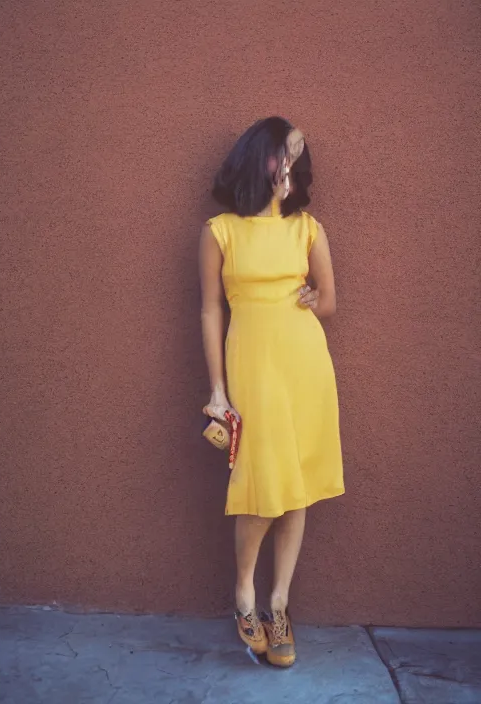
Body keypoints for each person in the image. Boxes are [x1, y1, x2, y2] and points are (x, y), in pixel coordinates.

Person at [199, 117, 344, 668]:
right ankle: (244, 595)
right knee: (261, 481)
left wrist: (311, 299)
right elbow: (212, 309)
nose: (289, 166)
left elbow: (328, 302)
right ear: (258, 158)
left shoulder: (308, 227)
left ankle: (279, 604)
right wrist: (217, 389)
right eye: (281, 155)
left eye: (295, 158)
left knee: (296, 486)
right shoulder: (219, 231)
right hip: (252, 363)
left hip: (304, 362)